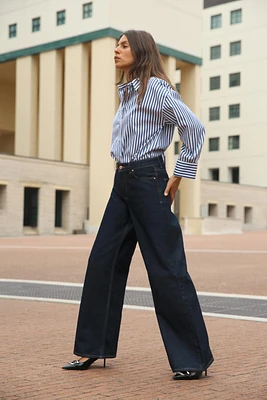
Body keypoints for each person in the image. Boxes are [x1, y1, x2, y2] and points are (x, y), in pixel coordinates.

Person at [62, 30, 214, 380]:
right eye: (116, 44)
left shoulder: (158, 89)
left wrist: (179, 174)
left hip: (149, 181)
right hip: (123, 182)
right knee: (103, 261)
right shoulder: (128, 94)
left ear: (141, 50)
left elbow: (194, 127)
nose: (116, 50)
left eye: (124, 45)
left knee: (166, 268)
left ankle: (192, 358)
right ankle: (92, 348)